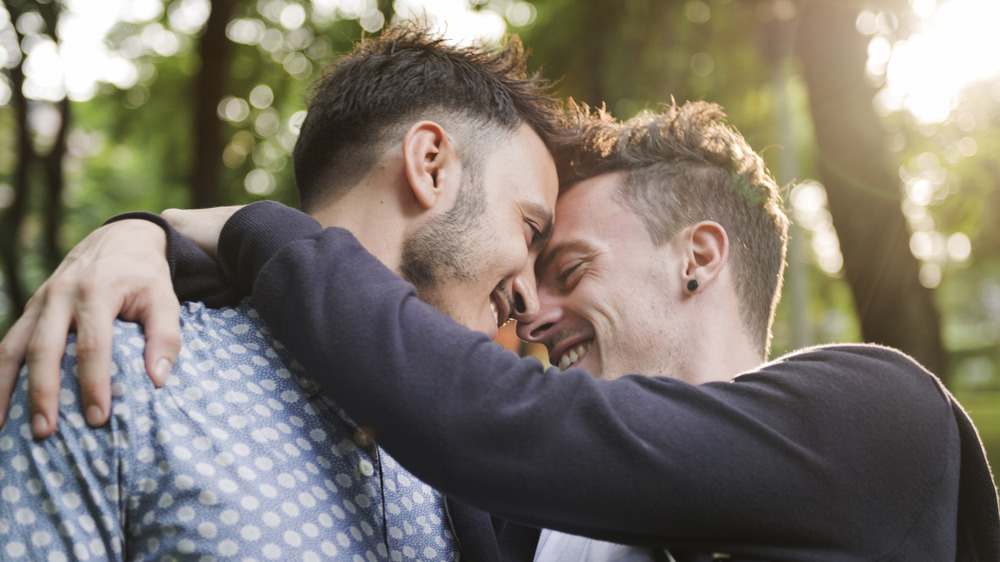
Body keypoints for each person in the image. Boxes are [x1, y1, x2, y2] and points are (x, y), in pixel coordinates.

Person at [4, 102, 1000, 558]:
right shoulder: (528, 520)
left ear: (697, 255)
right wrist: (138, 242)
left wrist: (245, 227)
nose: (531, 307)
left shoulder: (878, 421)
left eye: (562, 265)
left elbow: (478, 412)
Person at [0, 23, 566, 560]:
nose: (530, 300)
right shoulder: (119, 368)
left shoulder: (481, 456)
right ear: (431, 166)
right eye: (530, 229)